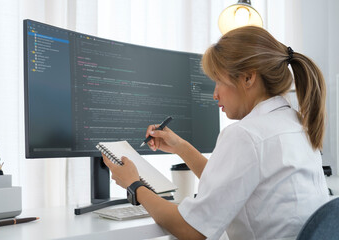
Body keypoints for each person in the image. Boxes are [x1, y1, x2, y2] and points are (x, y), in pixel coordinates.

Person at [103, 26, 329, 240]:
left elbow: (192, 230)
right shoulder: (295, 123)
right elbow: (231, 185)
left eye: (218, 81)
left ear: (248, 78)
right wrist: (181, 147)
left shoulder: (246, 134)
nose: (214, 94)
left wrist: (134, 185)